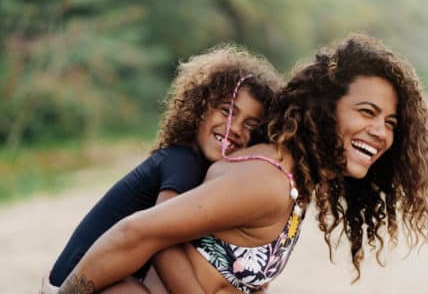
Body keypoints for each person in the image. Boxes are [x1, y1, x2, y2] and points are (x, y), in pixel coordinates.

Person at [52, 33, 428, 293]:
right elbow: (135, 234)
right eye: (367, 111)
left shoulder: (297, 182)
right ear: (325, 109)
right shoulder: (266, 180)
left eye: (390, 122)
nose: (381, 131)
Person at [45, 45, 282, 292]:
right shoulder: (185, 162)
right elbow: (163, 242)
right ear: (201, 107)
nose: (235, 128)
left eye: (250, 125)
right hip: (79, 279)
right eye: (227, 111)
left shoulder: (210, 176)